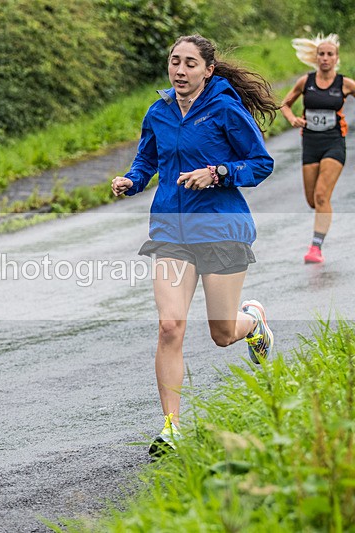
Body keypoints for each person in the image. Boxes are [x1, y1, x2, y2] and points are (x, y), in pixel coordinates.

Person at [111, 35, 277, 456]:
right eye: (174, 62)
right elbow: (147, 161)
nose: (180, 70)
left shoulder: (225, 108)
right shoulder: (159, 112)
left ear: (207, 69)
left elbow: (261, 164)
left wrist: (217, 172)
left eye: (189, 63)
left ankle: (252, 322)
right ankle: (172, 428)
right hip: (172, 232)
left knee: (222, 334)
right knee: (170, 326)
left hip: (222, 230)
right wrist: (130, 181)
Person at [280, 33, 355, 264]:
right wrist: (292, 118)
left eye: (329, 54)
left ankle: (315, 247)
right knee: (313, 200)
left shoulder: (345, 84)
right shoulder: (306, 81)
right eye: (321, 54)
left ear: (336, 58)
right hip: (310, 144)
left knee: (322, 196)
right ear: (316, 57)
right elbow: (285, 104)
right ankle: (321, 225)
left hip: (334, 143)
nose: (325, 58)